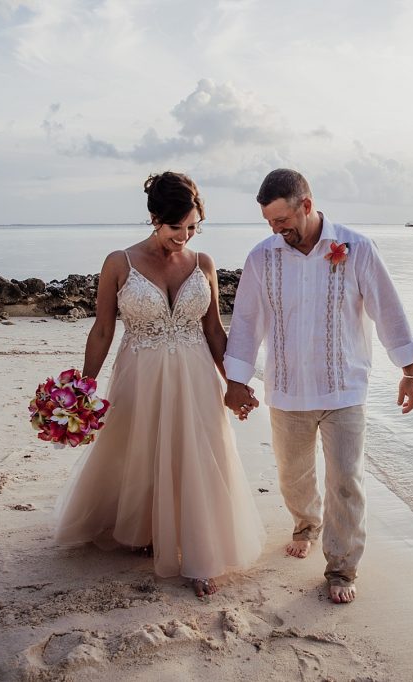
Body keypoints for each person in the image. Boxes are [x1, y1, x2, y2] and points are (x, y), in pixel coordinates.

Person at [53, 171, 264, 597]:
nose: (184, 237)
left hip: (196, 376)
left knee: (197, 454)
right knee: (141, 450)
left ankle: (200, 554)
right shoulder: (120, 263)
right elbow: (102, 330)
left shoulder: (203, 264)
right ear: (154, 218)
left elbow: (214, 332)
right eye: (175, 228)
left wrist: (235, 383)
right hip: (140, 373)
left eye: (192, 228)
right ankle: (144, 530)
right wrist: (83, 390)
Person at [223, 168, 413, 604]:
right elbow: (246, 322)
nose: (276, 230)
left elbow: (389, 310)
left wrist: (409, 369)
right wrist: (236, 382)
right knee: (293, 475)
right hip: (288, 389)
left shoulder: (357, 249)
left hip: (344, 390)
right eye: (269, 223)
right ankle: (306, 524)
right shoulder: (262, 257)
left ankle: (341, 567)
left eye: (281, 221)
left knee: (346, 480)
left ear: (306, 206)